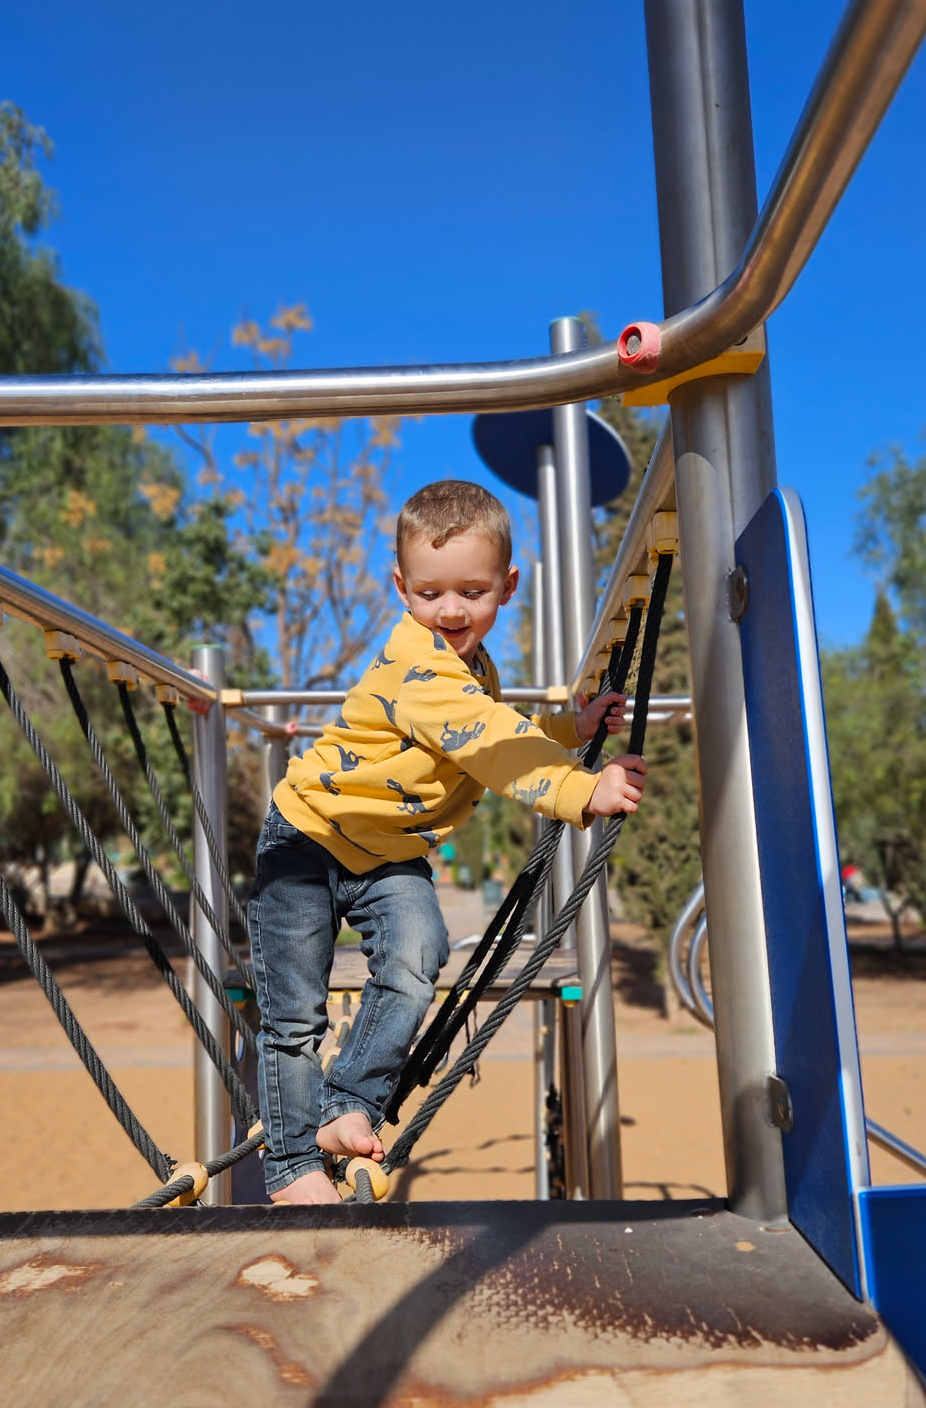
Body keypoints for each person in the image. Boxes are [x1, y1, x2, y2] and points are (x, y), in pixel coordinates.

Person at [248, 478, 648, 1204]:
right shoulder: (419, 663)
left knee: (417, 956)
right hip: (306, 839)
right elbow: (485, 740)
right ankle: (290, 1164)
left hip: (389, 854)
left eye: (472, 591)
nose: (452, 610)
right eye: (431, 593)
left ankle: (346, 1106)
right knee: (294, 1013)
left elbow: (497, 725)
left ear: (508, 586)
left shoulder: (475, 668)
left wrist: (572, 729)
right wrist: (579, 788)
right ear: (401, 588)